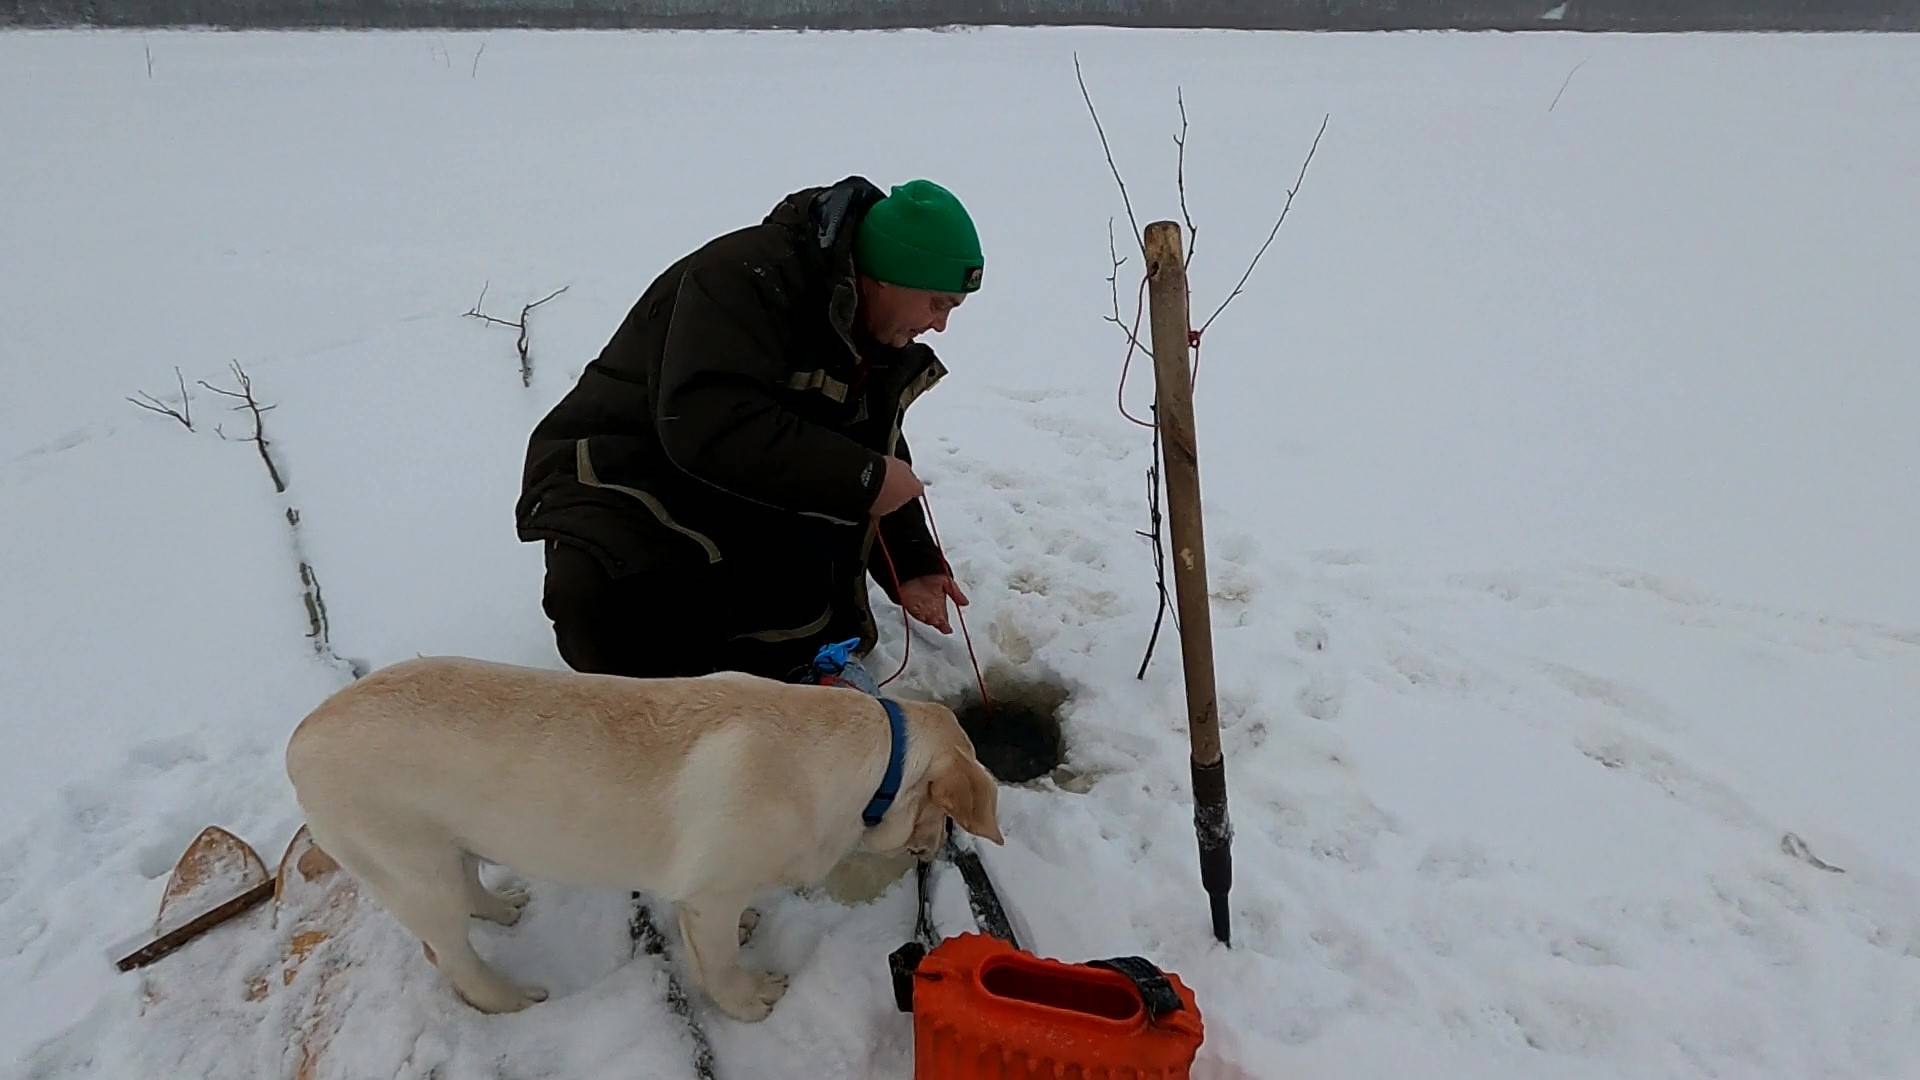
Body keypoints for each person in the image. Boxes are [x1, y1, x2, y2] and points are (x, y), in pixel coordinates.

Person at [514, 176, 983, 683]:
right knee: (606, 610)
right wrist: (863, 479)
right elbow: (705, 423)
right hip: (619, 474)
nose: (940, 326)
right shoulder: (742, 281)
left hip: (721, 477)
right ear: (890, 277)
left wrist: (912, 563)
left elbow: (868, 443)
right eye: (938, 304)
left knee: (806, 588)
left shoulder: (864, 323)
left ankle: (777, 673)